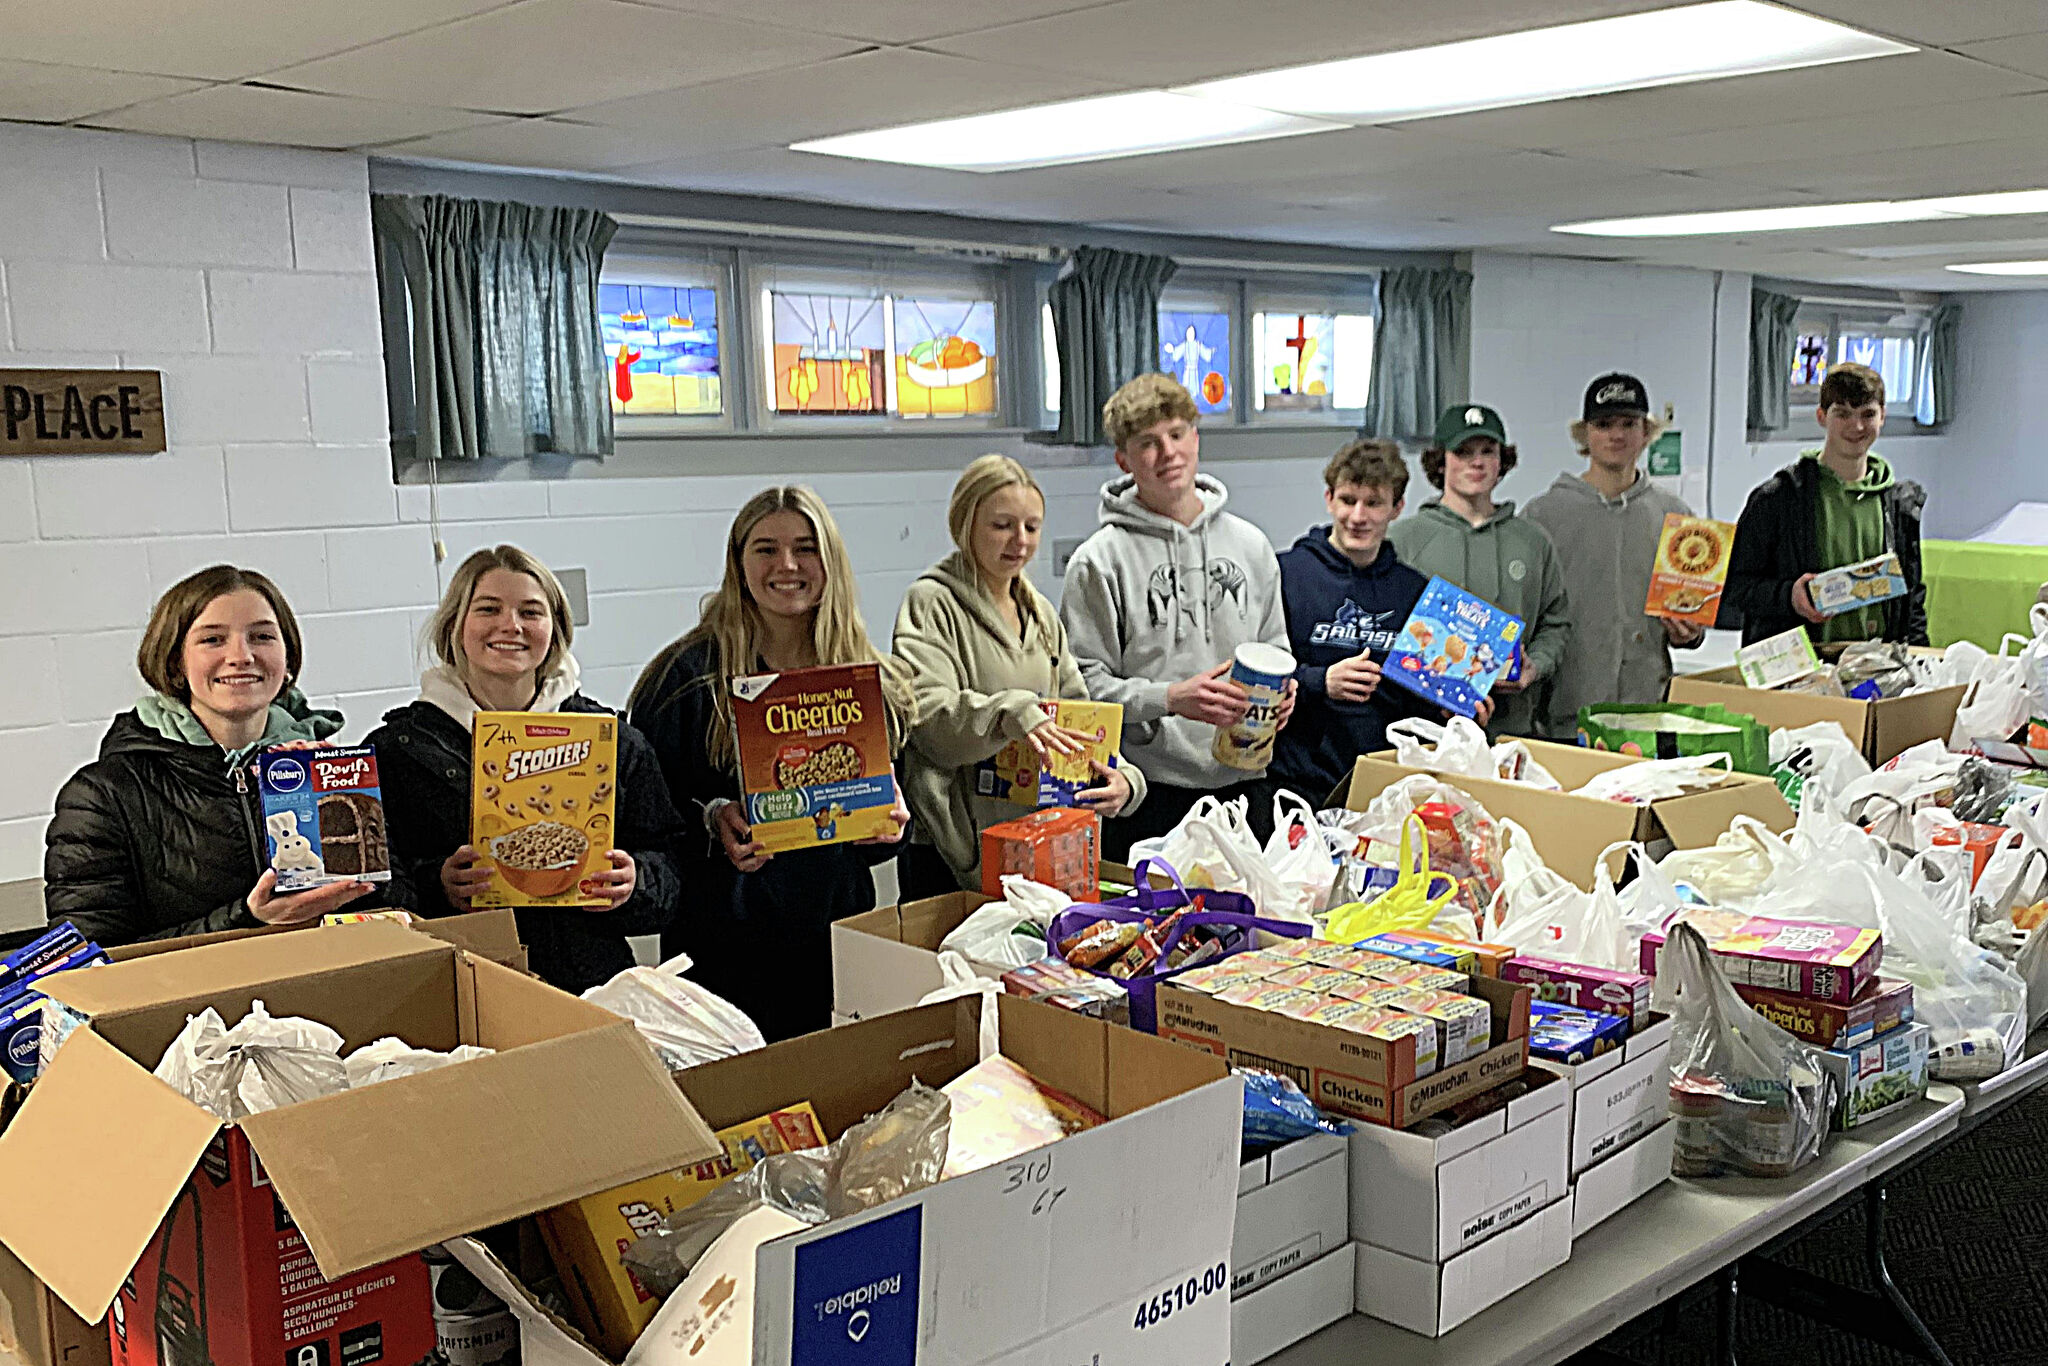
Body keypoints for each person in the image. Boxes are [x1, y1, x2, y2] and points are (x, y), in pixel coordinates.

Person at [627, 486, 914, 1042]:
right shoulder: (683, 678)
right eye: (765, 549)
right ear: (738, 563)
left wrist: (892, 823)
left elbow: (890, 818)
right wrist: (712, 819)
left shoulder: (863, 673)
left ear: (829, 561)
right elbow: (647, 824)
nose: (787, 565)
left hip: (835, 934)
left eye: (805, 548)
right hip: (722, 945)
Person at [368, 545, 684, 994]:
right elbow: (374, 895)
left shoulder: (611, 740)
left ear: (554, 631)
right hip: (459, 989)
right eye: (488, 609)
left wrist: (635, 882)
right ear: (456, 626)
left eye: (530, 612)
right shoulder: (399, 750)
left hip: (592, 985)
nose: (510, 626)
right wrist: (439, 884)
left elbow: (670, 867)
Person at [44, 565, 381, 945]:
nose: (242, 656)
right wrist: (250, 920)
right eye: (213, 640)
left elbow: (393, 911)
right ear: (175, 662)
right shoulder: (102, 796)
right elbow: (91, 962)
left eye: (262, 636)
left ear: (287, 659)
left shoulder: (333, 772)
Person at [1059, 373, 1294, 853]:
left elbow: (1277, 650)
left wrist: (1287, 694)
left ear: (1196, 439)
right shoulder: (1098, 561)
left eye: (1176, 434)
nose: (1167, 453)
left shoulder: (1252, 545)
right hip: (1147, 795)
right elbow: (1082, 691)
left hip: (1245, 789)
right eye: (1148, 443)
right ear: (1123, 460)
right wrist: (1169, 698)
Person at [893, 455, 1145, 899]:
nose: (1020, 541)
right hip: (953, 855)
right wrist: (1009, 712)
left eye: (1032, 527)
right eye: (1002, 525)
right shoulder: (932, 604)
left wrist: (1123, 778)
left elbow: (1082, 720)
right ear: (966, 524)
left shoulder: (1041, 614)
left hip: (1035, 845)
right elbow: (928, 719)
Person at [1524, 373, 1704, 738]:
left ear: (1646, 432)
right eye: (1604, 425)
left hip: (1646, 712)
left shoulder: (1677, 517)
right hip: (1564, 715)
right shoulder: (1543, 516)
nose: (1617, 435)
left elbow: (1694, 622)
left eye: (1629, 424)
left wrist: (1690, 632)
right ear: (1585, 434)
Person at [1390, 403, 1570, 739]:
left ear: (1502, 460)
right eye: (1463, 451)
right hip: (1426, 732)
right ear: (1440, 460)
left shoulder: (1532, 540)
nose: (1477, 462)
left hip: (1513, 730)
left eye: (1488, 451)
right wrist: (1432, 690)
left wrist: (1536, 667)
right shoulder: (1403, 539)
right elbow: (1385, 628)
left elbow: (1556, 622)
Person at [1273, 439, 1434, 801]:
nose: (1358, 517)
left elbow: (1417, 702)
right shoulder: (1285, 574)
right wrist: (1320, 681)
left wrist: (1454, 705)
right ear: (1329, 498)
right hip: (1294, 778)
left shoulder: (1413, 591)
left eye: (1374, 503)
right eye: (1348, 500)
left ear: (1397, 508)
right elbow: (1256, 675)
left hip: (1383, 783)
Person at [1726, 361, 1928, 646]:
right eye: (1842, 414)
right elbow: (1736, 588)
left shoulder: (1901, 505)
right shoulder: (1777, 499)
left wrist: (1919, 660)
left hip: (1881, 669)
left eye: (1867, 414)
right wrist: (1789, 597)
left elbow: (1912, 596)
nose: (1856, 426)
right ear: (1821, 416)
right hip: (1799, 671)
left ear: (1883, 416)